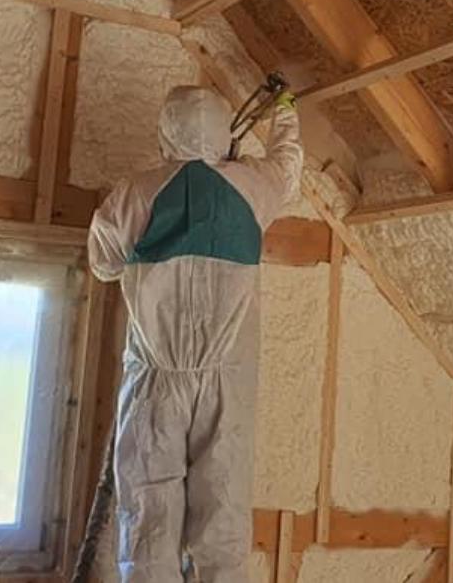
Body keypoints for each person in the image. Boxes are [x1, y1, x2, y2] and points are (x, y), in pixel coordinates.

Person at [87, 85, 302, 583]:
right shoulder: (252, 186)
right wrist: (285, 111)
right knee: (222, 517)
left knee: (148, 517)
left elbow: (102, 264)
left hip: (154, 381)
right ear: (223, 134)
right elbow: (287, 165)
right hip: (226, 380)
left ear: (167, 131)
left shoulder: (136, 193)